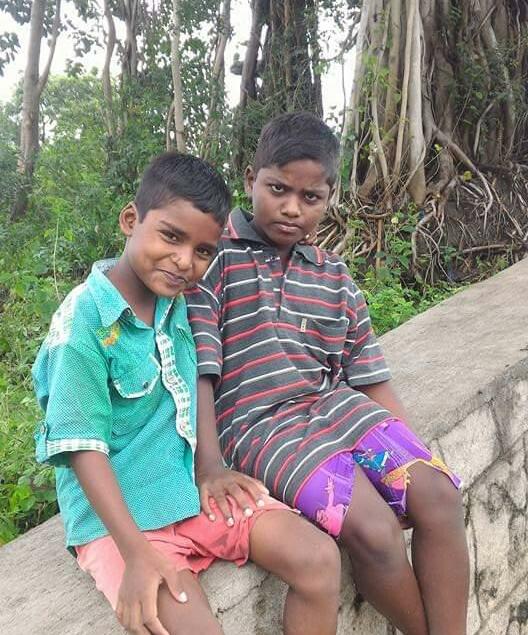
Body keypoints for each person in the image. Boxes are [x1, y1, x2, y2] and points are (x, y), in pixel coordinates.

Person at [32, 152, 341, 635]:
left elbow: (192, 388)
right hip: (122, 523)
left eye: (203, 251)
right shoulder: (83, 324)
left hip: (188, 492)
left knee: (318, 558)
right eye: (171, 237)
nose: (184, 261)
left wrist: (210, 469)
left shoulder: (176, 302)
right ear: (130, 220)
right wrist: (136, 553)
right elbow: (82, 447)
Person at [188, 113, 470, 635]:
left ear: (330, 198)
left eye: (310, 197)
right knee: (375, 530)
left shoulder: (332, 274)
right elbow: (201, 372)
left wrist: (408, 448)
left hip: (336, 406)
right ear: (250, 179)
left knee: (437, 495)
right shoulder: (213, 261)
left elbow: (368, 376)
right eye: (278, 189)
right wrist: (210, 465)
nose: (292, 208)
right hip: (259, 426)